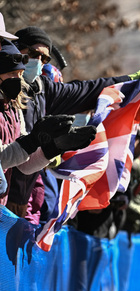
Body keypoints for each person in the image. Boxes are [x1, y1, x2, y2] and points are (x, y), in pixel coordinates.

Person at [5, 25, 140, 220]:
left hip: (21, 201)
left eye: (45, 59)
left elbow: (85, 90)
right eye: (35, 54)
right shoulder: (7, 92)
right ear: (16, 49)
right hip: (6, 196)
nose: (39, 62)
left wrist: (129, 82)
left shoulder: (43, 89)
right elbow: (9, 155)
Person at [0, 39, 96, 206]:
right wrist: (32, 140)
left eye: (20, 75)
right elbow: (2, 157)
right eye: (11, 74)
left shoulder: (14, 108)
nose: (17, 79)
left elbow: (24, 165)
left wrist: (53, 147)